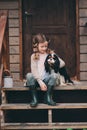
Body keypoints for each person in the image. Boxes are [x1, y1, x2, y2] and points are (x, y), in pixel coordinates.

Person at [26, 33, 65, 107]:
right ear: (36, 45)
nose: (44, 48)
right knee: (29, 75)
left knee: (54, 75)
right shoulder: (33, 56)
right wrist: (40, 82)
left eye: (46, 46)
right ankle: (34, 99)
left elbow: (62, 63)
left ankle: (48, 97)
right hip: (37, 81)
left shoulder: (50, 54)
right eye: (42, 46)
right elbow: (34, 70)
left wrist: (53, 63)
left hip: (47, 79)